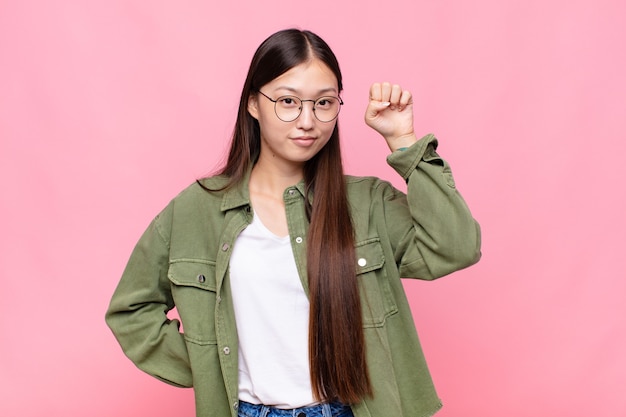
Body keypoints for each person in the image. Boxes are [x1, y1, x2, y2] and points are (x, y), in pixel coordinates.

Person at [106, 28, 481, 417]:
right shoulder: (196, 209)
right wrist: (209, 361)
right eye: (288, 101)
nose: (307, 121)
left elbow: (455, 246)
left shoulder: (368, 203)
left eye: (323, 103)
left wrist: (404, 141)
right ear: (253, 104)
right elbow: (131, 311)